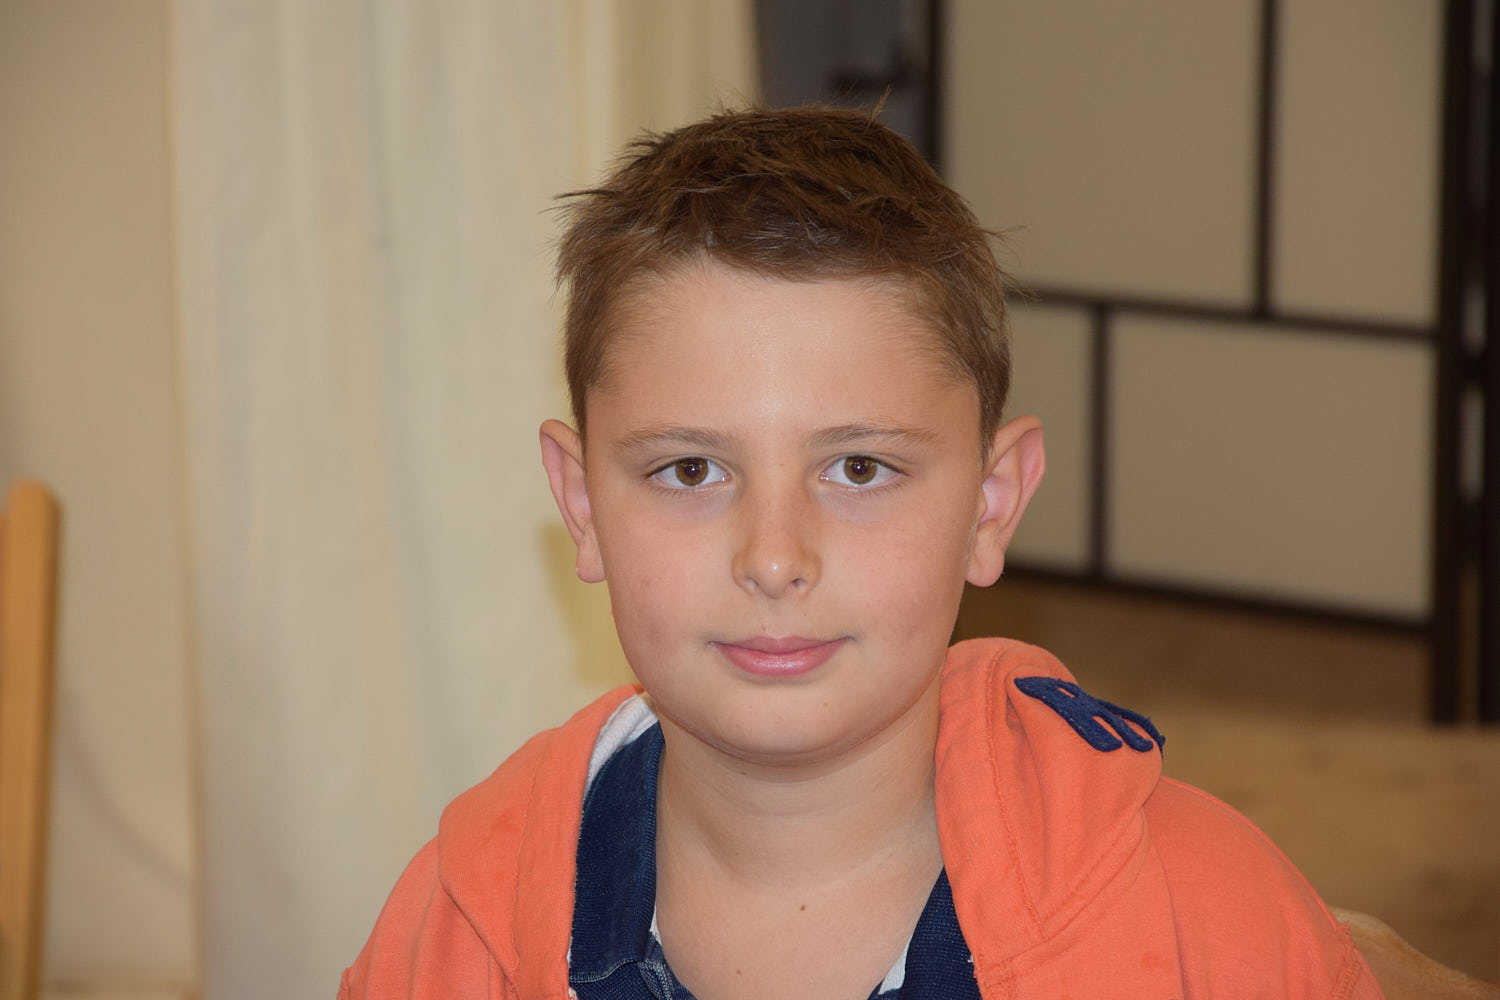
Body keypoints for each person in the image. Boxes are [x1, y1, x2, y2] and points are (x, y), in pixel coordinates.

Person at [339, 105, 1383, 999]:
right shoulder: (455, 929)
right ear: (581, 504)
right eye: (691, 470)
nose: (774, 558)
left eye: (859, 468)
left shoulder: (1211, 920)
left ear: (990, 504)